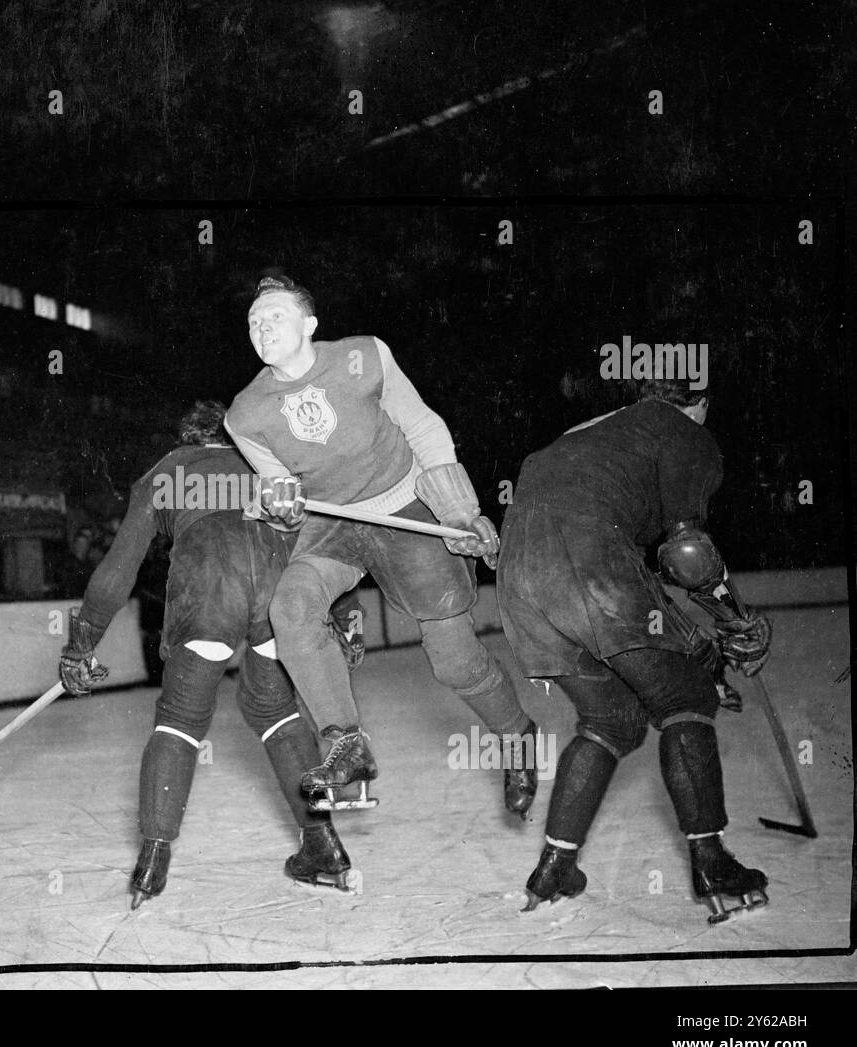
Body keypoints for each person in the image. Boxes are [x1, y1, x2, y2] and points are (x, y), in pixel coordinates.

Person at [223, 275, 538, 817]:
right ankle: (345, 742)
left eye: (274, 315)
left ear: (310, 325)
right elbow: (281, 486)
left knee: (454, 663)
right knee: (291, 607)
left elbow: (420, 422)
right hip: (333, 522)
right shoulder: (244, 414)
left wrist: (459, 511)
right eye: (254, 321)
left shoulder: (363, 356)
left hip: (407, 506)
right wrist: (280, 503)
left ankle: (517, 737)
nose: (262, 327)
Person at [58, 401, 357, 908]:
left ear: (187, 438)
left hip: (206, 587)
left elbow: (118, 568)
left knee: (179, 721)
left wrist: (81, 642)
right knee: (275, 712)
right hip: (277, 591)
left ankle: (152, 863)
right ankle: (323, 845)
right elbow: (327, 543)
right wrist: (345, 620)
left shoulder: (165, 472)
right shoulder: (268, 465)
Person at [496, 377, 772, 923]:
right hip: (590, 567)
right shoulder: (686, 432)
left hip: (519, 585)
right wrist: (734, 621)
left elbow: (640, 572)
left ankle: (556, 866)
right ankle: (712, 862)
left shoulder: (596, 431)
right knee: (684, 700)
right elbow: (687, 551)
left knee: (612, 720)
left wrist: (696, 652)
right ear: (702, 404)